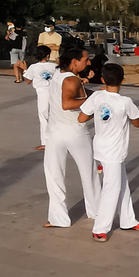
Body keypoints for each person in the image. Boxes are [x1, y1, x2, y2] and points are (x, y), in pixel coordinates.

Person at [78, 63, 139, 242]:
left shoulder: (97, 96)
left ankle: (128, 220)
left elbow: (81, 118)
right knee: (112, 188)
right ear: (123, 80)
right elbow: (137, 123)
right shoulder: (125, 102)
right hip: (114, 151)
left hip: (101, 147)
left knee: (122, 184)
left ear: (103, 80)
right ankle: (100, 228)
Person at [43, 47, 101, 228]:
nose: (88, 62)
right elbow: (67, 103)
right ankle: (97, 211)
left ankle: (58, 219)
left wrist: (96, 93)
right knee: (89, 174)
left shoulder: (57, 76)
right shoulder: (72, 79)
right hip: (75, 133)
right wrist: (96, 101)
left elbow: (76, 92)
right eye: (85, 59)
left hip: (55, 133)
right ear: (74, 62)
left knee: (54, 177)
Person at [21, 45, 59, 150]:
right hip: (54, 92)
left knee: (44, 117)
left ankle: (45, 142)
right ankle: (57, 140)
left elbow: (28, 81)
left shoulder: (33, 67)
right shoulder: (54, 66)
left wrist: (25, 70)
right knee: (55, 116)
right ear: (48, 55)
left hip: (42, 92)